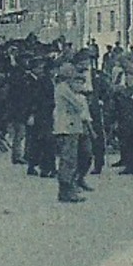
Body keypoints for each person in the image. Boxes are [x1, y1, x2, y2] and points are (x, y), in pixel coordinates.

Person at [52, 64, 93, 202]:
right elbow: (78, 104)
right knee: (68, 159)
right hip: (67, 127)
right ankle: (66, 191)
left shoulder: (63, 88)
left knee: (71, 159)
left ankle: (69, 188)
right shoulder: (63, 88)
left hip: (72, 127)